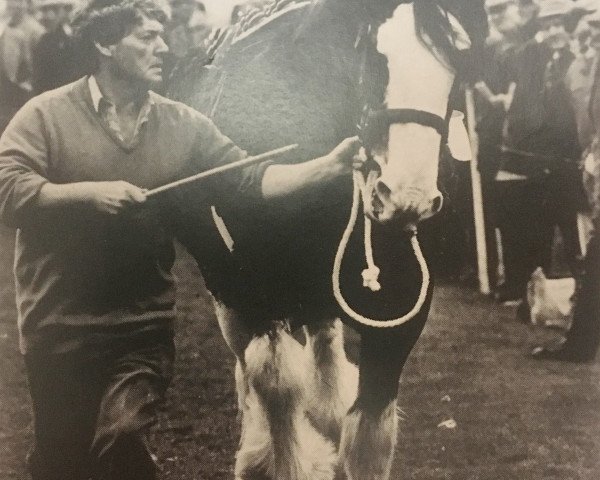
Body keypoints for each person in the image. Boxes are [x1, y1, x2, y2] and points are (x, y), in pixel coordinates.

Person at [0, 0, 361, 478]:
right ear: (105, 43)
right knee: (62, 457)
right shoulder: (45, 115)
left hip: (141, 324)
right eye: (147, 37)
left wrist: (327, 166)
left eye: (162, 36)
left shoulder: (182, 124)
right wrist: (87, 196)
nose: (164, 48)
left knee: (124, 440)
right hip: (58, 324)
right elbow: (7, 186)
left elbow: (246, 181)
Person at [498, 0, 585, 318]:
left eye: (560, 25)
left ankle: (581, 299)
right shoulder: (529, 58)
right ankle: (536, 298)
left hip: (570, 159)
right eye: (547, 26)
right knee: (537, 231)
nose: (554, 32)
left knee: (574, 232)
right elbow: (509, 67)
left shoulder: (579, 60)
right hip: (539, 159)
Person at [532, 8, 600, 362]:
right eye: (588, 28)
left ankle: (581, 342)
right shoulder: (582, 67)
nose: (590, 35)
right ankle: (581, 341)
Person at [0, 0, 44, 133]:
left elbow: (37, 67)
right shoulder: (6, 26)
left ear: (27, 4)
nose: (15, 5)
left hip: (23, 93)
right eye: (11, 2)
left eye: (19, 1)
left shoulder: (36, 30)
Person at [32, 0, 87, 94]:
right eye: (47, 10)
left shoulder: (79, 35)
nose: (50, 15)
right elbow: (39, 80)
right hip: (53, 94)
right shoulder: (45, 41)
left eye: (69, 9)